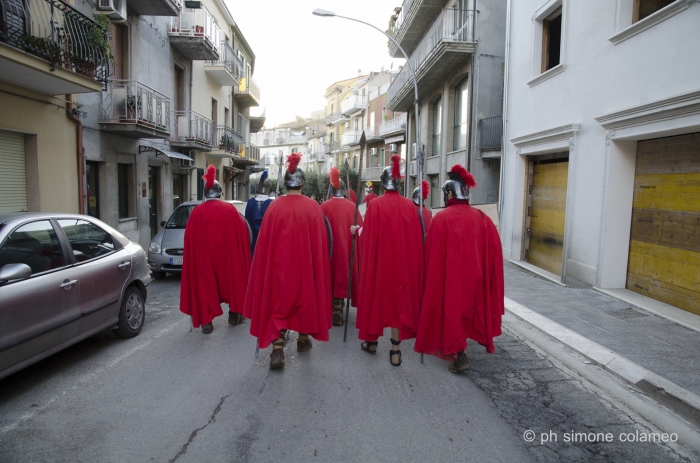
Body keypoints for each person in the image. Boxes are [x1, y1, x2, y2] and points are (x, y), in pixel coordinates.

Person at [243, 152, 333, 370]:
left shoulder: (274, 207)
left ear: (285, 185)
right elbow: (321, 244)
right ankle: (303, 340)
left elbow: (264, 245)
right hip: (304, 268)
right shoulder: (313, 207)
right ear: (303, 184)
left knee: (278, 303)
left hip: (279, 269)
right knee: (304, 302)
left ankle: (278, 347)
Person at [414, 164, 504, 373]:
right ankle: (461, 347)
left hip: (451, 278)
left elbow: (432, 256)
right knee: (468, 310)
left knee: (452, 311)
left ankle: (459, 353)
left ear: (448, 195)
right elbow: (494, 252)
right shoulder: (483, 218)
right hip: (476, 278)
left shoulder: (441, 219)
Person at [351, 155, 424, 366]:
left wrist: (357, 232)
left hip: (381, 265)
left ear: (382, 185)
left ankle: (371, 342)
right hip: (402, 266)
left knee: (377, 300)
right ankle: (395, 351)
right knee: (398, 305)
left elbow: (370, 236)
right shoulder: (411, 207)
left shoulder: (375, 205)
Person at [180, 165, 252, 334]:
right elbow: (243, 234)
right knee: (232, 282)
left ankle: (206, 322)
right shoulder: (229, 210)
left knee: (205, 286)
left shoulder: (196, 213)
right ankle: (234, 313)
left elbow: (189, 240)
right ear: (220, 193)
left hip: (205, 260)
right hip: (227, 260)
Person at [321, 167, 364, 327]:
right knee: (344, 275)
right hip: (346, 251)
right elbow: (360, 229)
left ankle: (336, 306)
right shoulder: (352, 207)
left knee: (331, 276)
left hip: (330, 251)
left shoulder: (324, 206)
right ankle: (338, 306)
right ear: (345, 190)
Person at [244, 170, 273, 254]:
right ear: (268, 188)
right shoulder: (273, 205)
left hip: (252, 248)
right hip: (267, 249)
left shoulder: (249, 204)